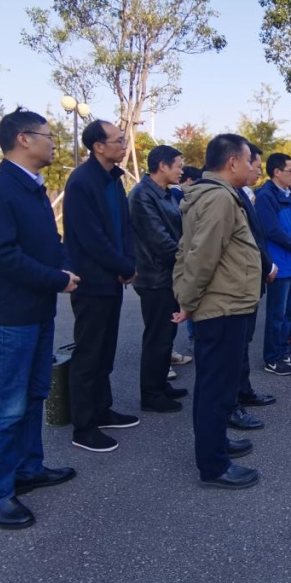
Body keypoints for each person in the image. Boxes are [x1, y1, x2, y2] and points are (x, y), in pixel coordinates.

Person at [0, 108, 79, 530]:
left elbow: (52, 242)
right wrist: (56, 279)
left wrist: (66, 267)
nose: (54, 143)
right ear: (23, 139)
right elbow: (1, 255)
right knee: (6, 406)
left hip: (37, 313)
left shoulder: (33, 188)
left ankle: (28, 468)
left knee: (35, 395)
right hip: (9, 318)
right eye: (48, 136)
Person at [173, 134, 261, 489]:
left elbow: (189, 249)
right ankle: (213, 465)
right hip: (222, 306)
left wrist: (187, 298)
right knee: (214, 386)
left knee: (218, 384)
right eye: (248, 159)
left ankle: (216, 443)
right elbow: (201, 256)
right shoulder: (219, 198)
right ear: (232, 162)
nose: (250, 166)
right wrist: (187, 301)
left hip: (226, 303)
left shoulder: (212, 194)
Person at [63, 120, 138, 453]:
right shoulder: (82, 181)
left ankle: (102, 409)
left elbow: (125, 227)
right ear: (98, 146)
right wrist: (123, 266)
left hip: (113, 278)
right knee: (89, 353)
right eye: (118, 140)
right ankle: (84, 426)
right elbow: (90, 237)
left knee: (106, 350)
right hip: (92, 280)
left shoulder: (113, 178)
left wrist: (129, 262)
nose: (123, 145)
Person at [128, 145, 190, 413]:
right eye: (178, 165)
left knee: (167, 336)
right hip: (154, 277)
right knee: (157, 337)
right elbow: (160, 240)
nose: (181, 171)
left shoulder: (165, 193)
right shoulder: (142, 195)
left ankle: (161, 384)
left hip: (169, 275)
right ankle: (151, 394)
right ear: (162, 166)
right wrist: (189, 259)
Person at [227, 143, 278, 428]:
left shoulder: (246, 195)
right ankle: (231, 405)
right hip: (234, 287)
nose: (256, 170)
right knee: (231, 350)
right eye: (253, 164)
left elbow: (256, 238)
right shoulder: (224, 196)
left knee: (242, 344)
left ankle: (243, 392)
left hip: (249, 281)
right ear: (234, 162)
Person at [256, 153, 291, 375]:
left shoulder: (286, 194)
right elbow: (272, 231)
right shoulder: (266, 196)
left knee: (288, 312)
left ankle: (285, 350)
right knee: (277, 314)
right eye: (290, 171)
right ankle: (272, 357)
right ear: (277, 172)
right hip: (280, 263)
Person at [171, 165, 202, 367]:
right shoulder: (176, 195)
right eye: (177, 166)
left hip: (179, 257)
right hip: (170, 263)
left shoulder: (172, 195)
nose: (179, 172)